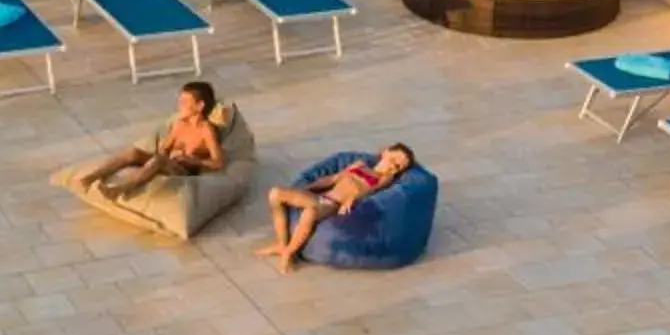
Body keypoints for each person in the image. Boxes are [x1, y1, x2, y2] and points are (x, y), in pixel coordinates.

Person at [258, 144, 415, 272]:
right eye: (393, 160)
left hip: (332, 204)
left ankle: (289, 252)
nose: (392, 166)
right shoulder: (360, 165)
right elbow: (334, 178)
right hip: (322, 196)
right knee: (275, 194)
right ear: (386, 152)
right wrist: (310, 186)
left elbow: (370, 191)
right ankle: (281, 242)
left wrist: (352, 199)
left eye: (398, 167)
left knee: (310, 212)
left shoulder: (383, 178)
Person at [74, 80, 226, 198]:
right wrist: (164, 153)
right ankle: (92, 177)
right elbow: (164, 149)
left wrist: (192, 160)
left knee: (159, 160)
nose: (179, 106)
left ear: (200, 106)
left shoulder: (207, 130)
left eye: (184, 103)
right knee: (133, 152)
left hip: (183, 171)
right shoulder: (179, 124)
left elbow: (218, 162)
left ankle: (121, 189)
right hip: (167, 162)